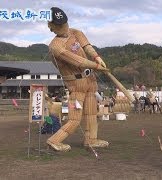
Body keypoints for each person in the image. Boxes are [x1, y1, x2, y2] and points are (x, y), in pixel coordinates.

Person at [46, 7, 109, 151]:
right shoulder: (55, 47)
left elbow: (87, 47)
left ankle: (91, 140)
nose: (63, 28)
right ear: (52, 27)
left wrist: (97, 57)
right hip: (76, 83)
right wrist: (96, 65)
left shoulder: (76, 32)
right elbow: (78, 61)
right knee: (75, 117)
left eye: (64, 24)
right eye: (59, 25)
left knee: (92, 112)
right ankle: (54, 140)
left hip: (90, 80)